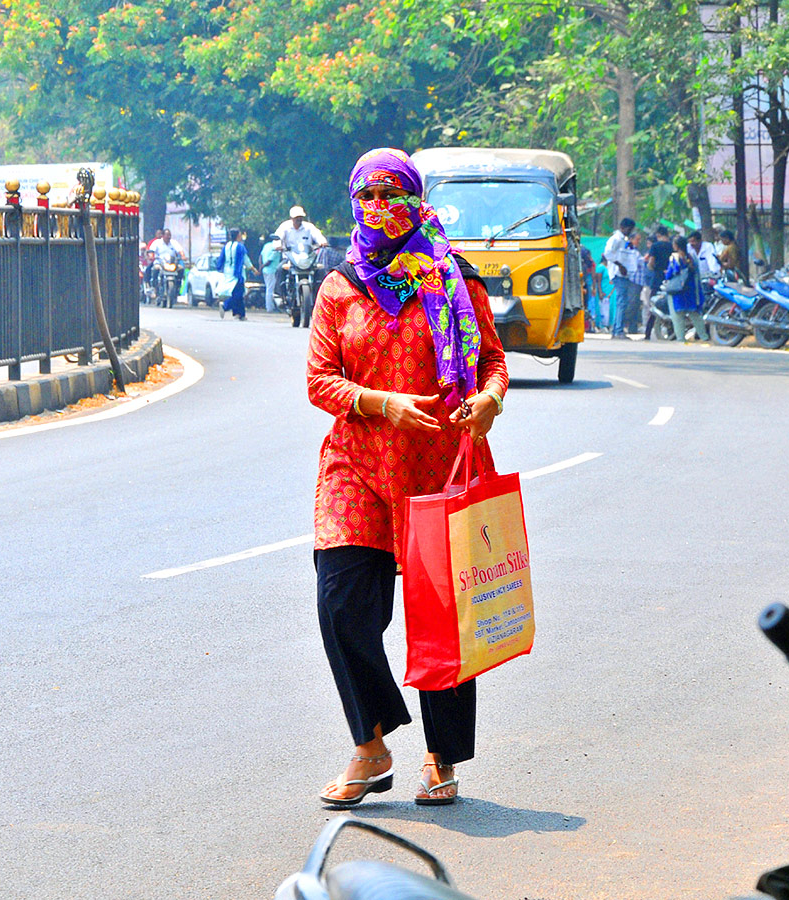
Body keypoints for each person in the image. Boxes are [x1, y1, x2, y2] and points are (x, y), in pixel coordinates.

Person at [307, 147, 508, 808]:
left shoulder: (455, 279)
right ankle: (371, 745)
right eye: (367, 197)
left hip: (437, 469)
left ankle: (441, 755)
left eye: (392, 195)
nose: (379, 209)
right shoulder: (341, 286)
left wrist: (489, 402)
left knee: (440, 618)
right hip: (358, 465)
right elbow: (320, 382)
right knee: (340, 603)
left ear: (416, 202)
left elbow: (494, 364)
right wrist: (383, 402)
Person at [663, 234, 709, 342]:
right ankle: (704, 336)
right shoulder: (692, 257)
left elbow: (670, 274)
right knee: (695, 315)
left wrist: (666, 274)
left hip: (678, 291)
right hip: (691, 290)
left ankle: (681, 339)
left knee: (678, 316)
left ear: (676, 246)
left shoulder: (674, 257)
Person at [603, 217, 636, 338]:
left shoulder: (624, 240)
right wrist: (620, 265)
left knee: (622, 302)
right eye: (629, 229)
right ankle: (618, 330)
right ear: (623, 227)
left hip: (624, 274)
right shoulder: (615, 239)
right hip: (618, 273)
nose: (630, 231)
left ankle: (617, 329)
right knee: (621, 303)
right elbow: (607, 253)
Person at [216, 228, 257, 320]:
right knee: (238, 294)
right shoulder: (240, 246)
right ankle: (225, 306)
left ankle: (240, 314)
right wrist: (253, 269)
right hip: (237, 274)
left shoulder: (226, 246)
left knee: (237, 294)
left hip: (227, 273)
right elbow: (246, 260)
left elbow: (221, 260)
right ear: (238, 235)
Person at [643, 226, 672, 340]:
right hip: (670, 279)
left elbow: (651, 263)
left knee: (653, 306)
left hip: (657, 278)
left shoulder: (655, 246)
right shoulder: (672, 246)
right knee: (670, 305)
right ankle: (671, 333)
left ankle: (647, 333)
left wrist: (653, 268)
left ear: (658, 235)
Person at [624, 230, 648, 335]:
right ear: (631, 239)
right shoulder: (628, 250)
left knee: (636, 304)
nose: (639, 241)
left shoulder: (636, 251)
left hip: (639, 282)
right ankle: (624, 323)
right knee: (631, 304)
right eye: (637, 239)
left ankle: (632, 328)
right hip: (632, 281)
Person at [260, 233, 284, 312]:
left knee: (269, 288)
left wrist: (261, 267)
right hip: (272, 270)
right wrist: (263, 266)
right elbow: (270, 260)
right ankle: (270, 308)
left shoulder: (266, 245)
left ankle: (271, 306)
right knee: (270, 289)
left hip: (265, 271)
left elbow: (260, 256)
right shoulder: (276, 248)